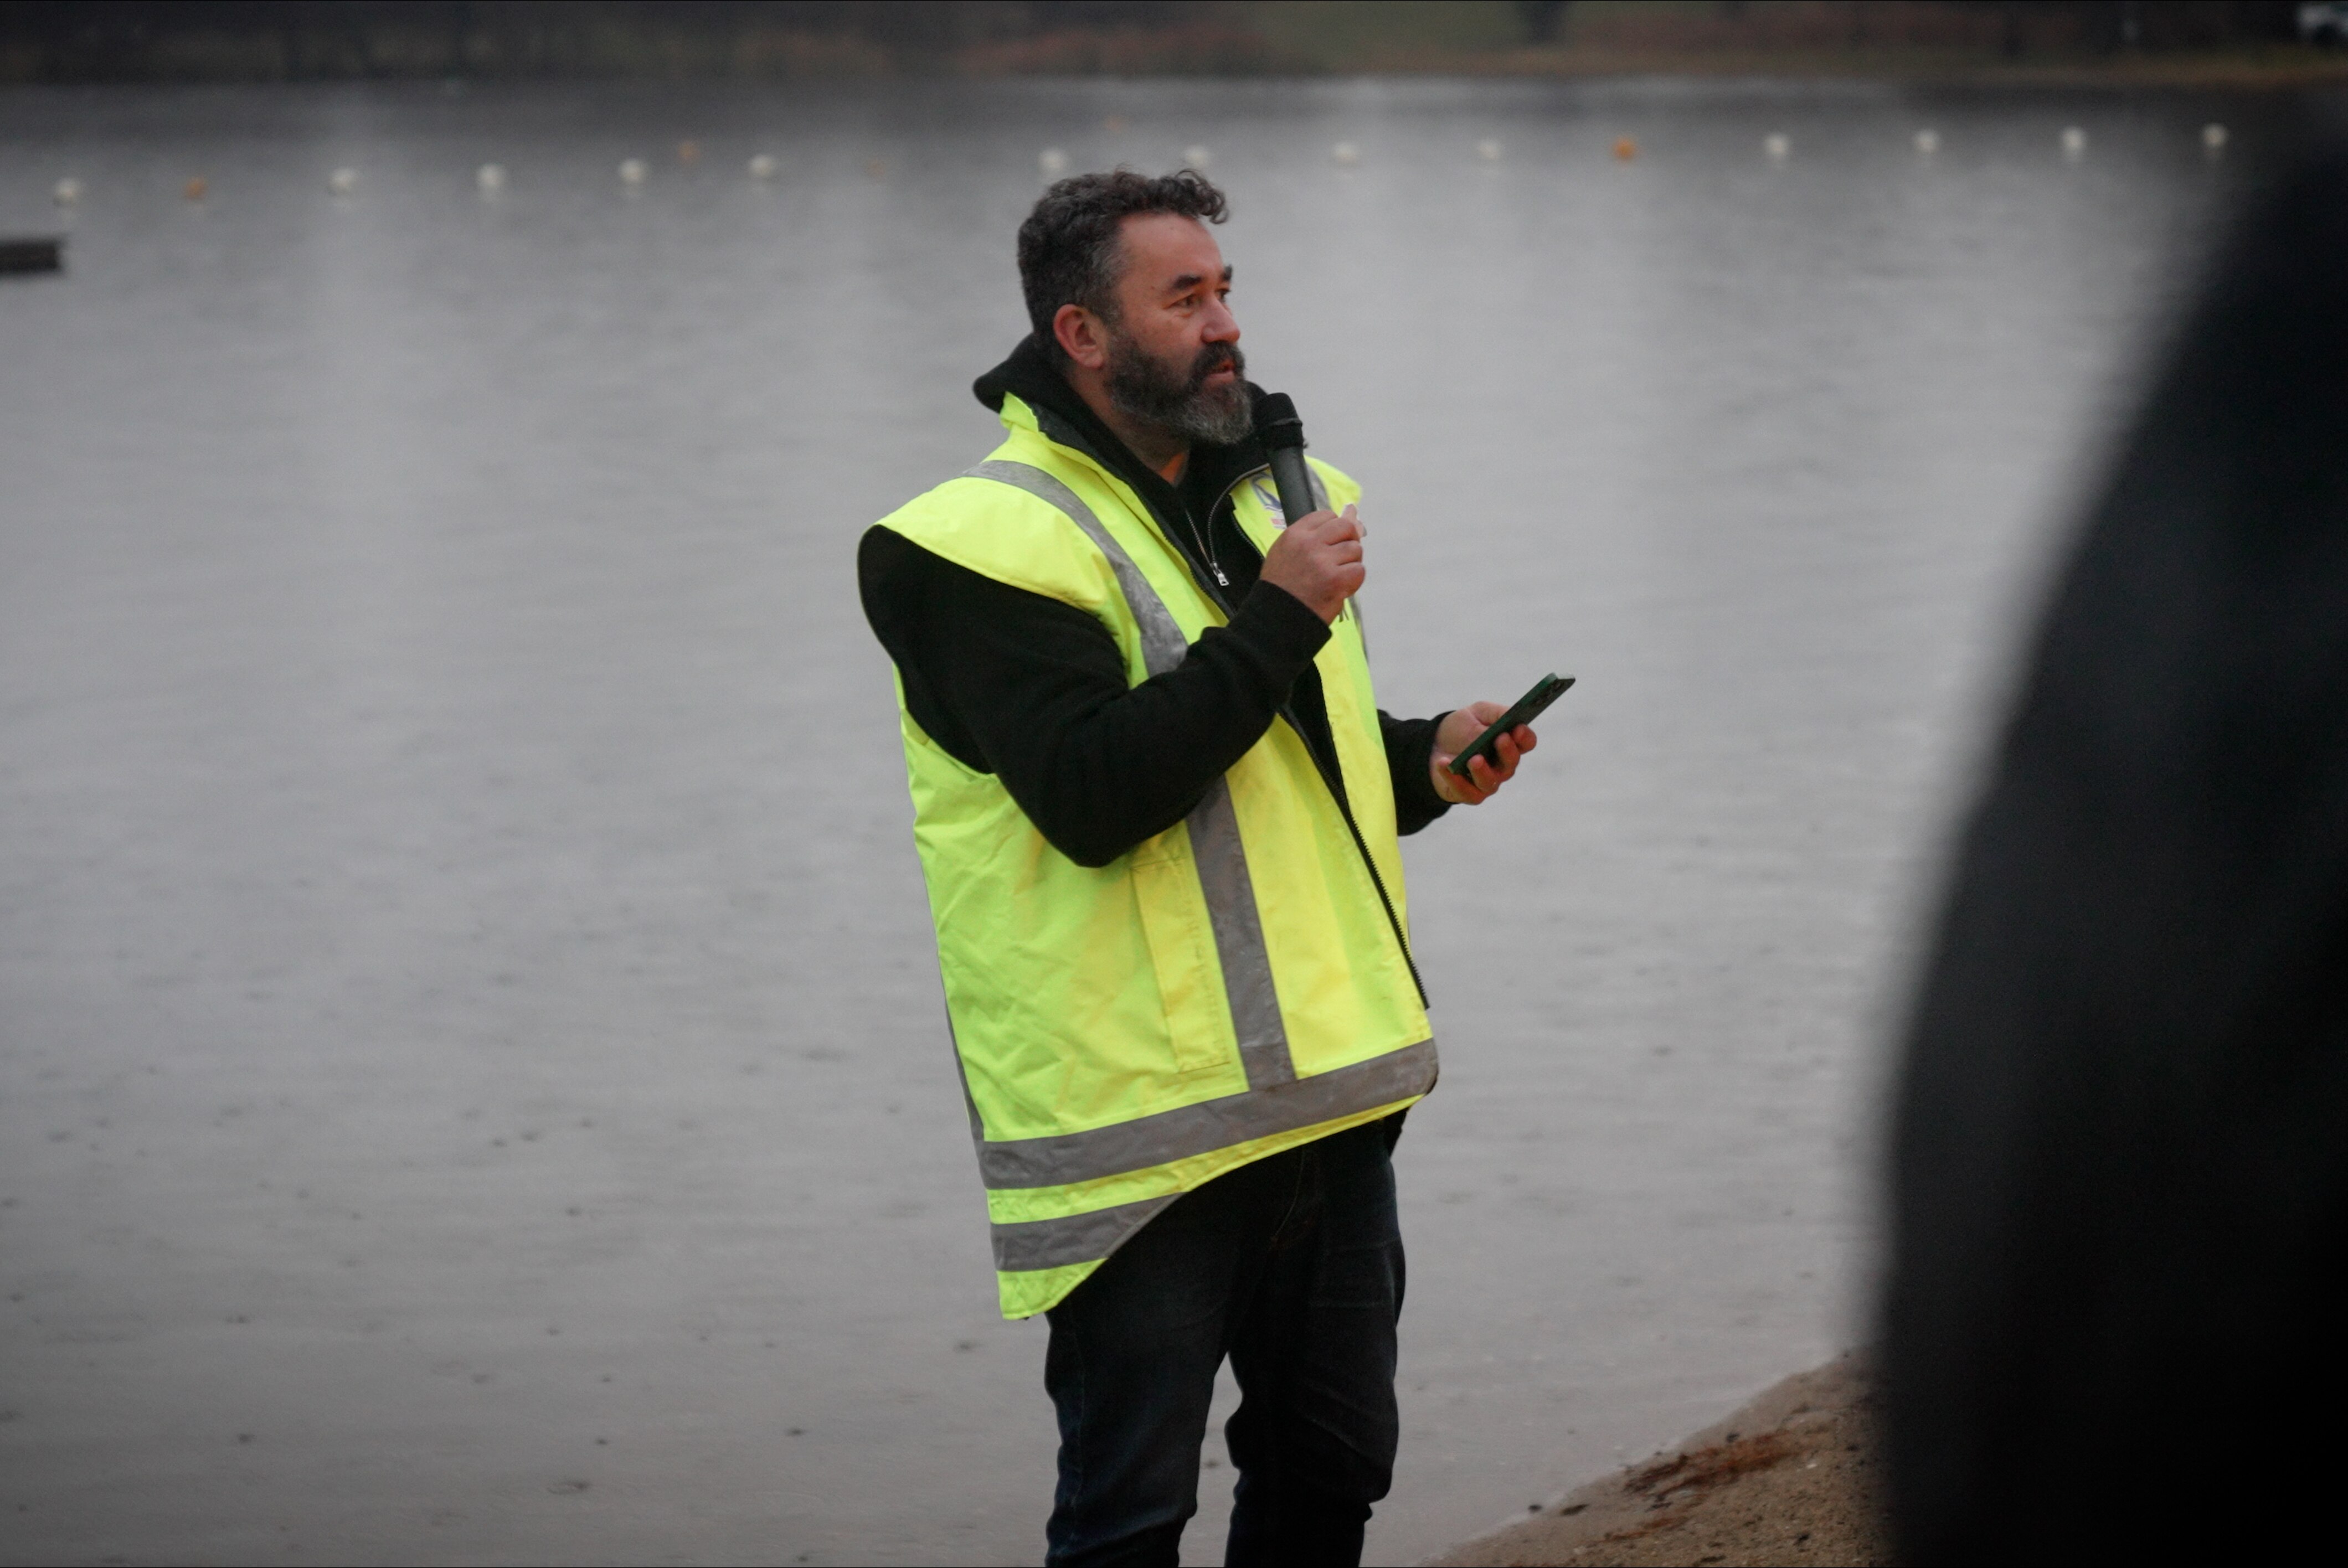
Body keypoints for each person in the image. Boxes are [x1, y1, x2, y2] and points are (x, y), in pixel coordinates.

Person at [858, 168, 1541, 1568]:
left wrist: (1429, 761)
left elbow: (1289, 767)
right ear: (1082, 334)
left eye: (1224, 289)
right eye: (1185, 298)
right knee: (1128, 1519)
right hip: (1141, 1140)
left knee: (1332, 1471)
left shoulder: (1269, 500)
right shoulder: (969, 547)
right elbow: (1097, 793)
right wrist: (1284, 613)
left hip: (1328, 1105)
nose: (1225, 324)